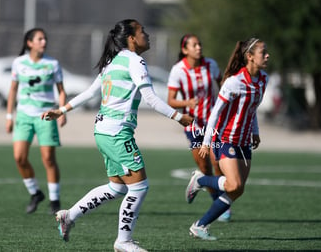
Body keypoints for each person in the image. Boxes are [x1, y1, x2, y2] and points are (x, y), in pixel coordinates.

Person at [41, 19, 194, 252]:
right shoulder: (135, 61)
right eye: (143, 31)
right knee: (139, 187)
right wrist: (178, 117)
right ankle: (123, 241)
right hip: (116, 133)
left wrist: (61, 110)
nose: (148, 35)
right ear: (132, 38)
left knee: (117, 188)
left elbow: (91, 92)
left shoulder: (112, 62)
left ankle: (68, 216)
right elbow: (151, 99)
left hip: (103, 131)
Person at [185, 38, 269, 240]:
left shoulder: (263, 79)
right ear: (250, 57)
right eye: (263, 52)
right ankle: (201, 180)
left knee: (238, 190)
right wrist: (206, 142)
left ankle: (200, 225)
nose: (267, 56)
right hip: (226, 139)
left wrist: (255, 131)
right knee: (233, 185)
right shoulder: (234, 82)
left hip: (244, 142)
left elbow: (252, 109)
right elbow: (215, 114)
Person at [166, 34, 231, 222]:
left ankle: (221, 204)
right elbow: (170, 100)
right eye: (194, 45)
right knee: (204, 166)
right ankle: (214, 199)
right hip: (193, 125)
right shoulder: (178, 70)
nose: (199, 47)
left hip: (214, 122)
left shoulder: (211, 65)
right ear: (185, 49)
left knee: (218, 161)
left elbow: (223, 87)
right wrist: (187, 102)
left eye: (200, 44)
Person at [6, 27, 67, 215]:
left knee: (48, 158)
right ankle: (35, 193)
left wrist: (62, 111)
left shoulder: (53, 64)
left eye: (45, 39)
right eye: (40, 39)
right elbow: (13, 90)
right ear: (29, 43)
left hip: (46, 115)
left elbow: (61, 91)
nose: (44, 42)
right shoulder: (19, 63)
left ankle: (54, 200)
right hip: (24, 116)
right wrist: (9, 116)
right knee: (19, 158)